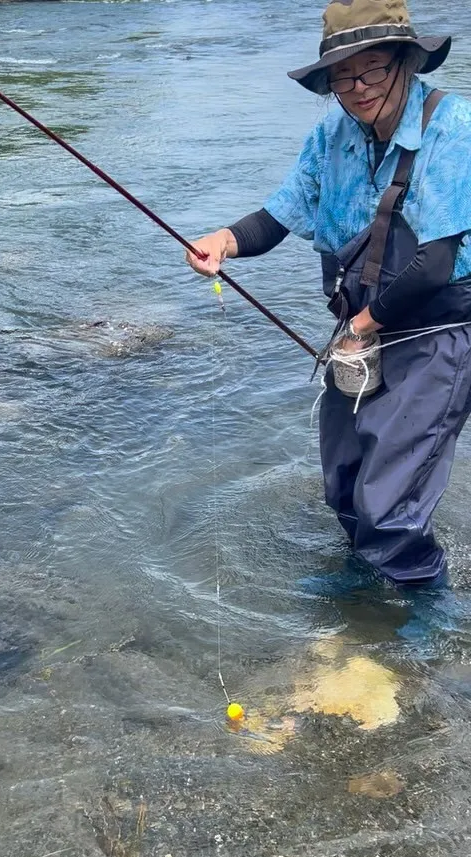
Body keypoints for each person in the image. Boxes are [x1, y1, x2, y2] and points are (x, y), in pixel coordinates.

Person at [186, 0, 471, 639]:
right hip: (359, 334)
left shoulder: (455, 128)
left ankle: (430, 619)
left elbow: (434, 263)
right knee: (345, 485)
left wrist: (362, 325)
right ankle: (364, 586)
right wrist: (225, 241)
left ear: (405, 61)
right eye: (342, 78)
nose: (358, 89)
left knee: (390, 502)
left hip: (438, 334)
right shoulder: (329, 138)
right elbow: (277, 218)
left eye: (371, 71)